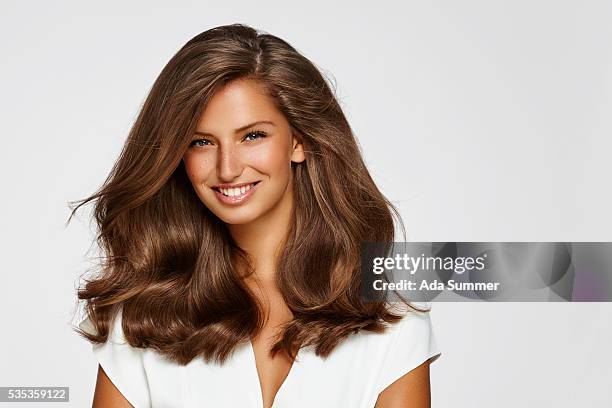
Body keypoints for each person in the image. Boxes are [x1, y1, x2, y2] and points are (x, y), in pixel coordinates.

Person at [70, 23, 441, 408]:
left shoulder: (389, 303)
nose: (228, 168)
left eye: (253, 136)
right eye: (201, 142)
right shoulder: (143, 313)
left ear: (299, 140)